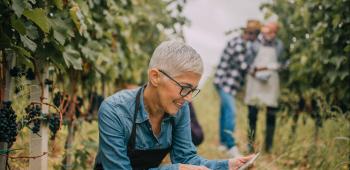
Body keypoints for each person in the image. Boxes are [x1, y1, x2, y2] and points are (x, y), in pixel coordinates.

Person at [94, 40, 255, 170]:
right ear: (155, 77)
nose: (189, 98)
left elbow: (186, 158)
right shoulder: (114, 111)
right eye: (185, 88)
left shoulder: (179, 108)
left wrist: (226, 166)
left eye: (193, 90)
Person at [213, 20, 261, 157]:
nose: (255, 39)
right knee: (231, 112)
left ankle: (223, 143)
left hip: (225, 82)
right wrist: (260, 71)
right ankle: (231, 146)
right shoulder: (239, 43)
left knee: (224, 112)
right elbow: (243, 66)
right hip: (225, 82)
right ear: (252, 34)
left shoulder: (239, 42)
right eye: (255, 36)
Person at [244, 22, 286, 153]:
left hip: (271, 83)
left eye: (271, 32)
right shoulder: (254, 45)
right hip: (255, 81)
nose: (268, 35)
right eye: (266, 32)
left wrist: (279, 67)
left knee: (271, 115)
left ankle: (268, 147)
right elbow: (247, 62)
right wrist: (255, 72)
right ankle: (250, 145)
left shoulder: (279, 46)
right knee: (252, 114)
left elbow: (283, 62)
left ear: (275, 33)